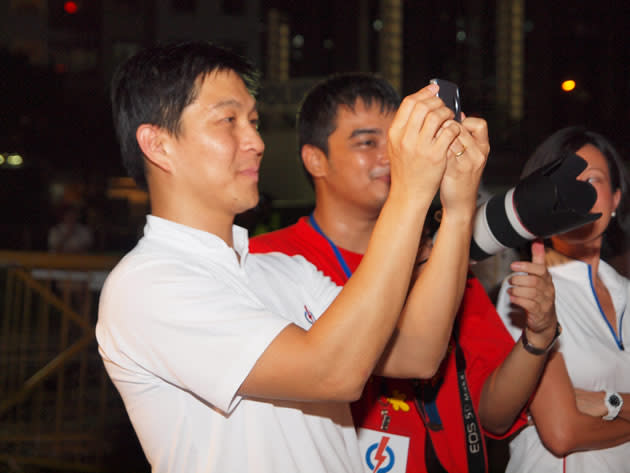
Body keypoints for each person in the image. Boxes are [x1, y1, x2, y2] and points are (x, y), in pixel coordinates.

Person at [96, 41, 486, 472]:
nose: (256, 142)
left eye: (254, 121)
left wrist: (459, 208)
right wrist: (409, 190)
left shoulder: (282, 270)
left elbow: (418, 353)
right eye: (228, 120)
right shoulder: (148, 284)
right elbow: (332, 372)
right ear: (158, 144)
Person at [250, 73, 560, 473]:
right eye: (367, 142)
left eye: (394, 139)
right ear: (315, 159)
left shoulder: (440, 261)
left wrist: (537, 339)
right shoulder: (269, 261)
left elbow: (494, 415)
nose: (389, 156)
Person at [496, 126, 630, 473]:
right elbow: (562, 432)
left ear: (616, 198)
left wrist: (601, 403)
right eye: (568, 183)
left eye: (594, 181)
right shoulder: (530, 289)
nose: (581, 193)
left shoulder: (625, 293)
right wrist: (620, 405)